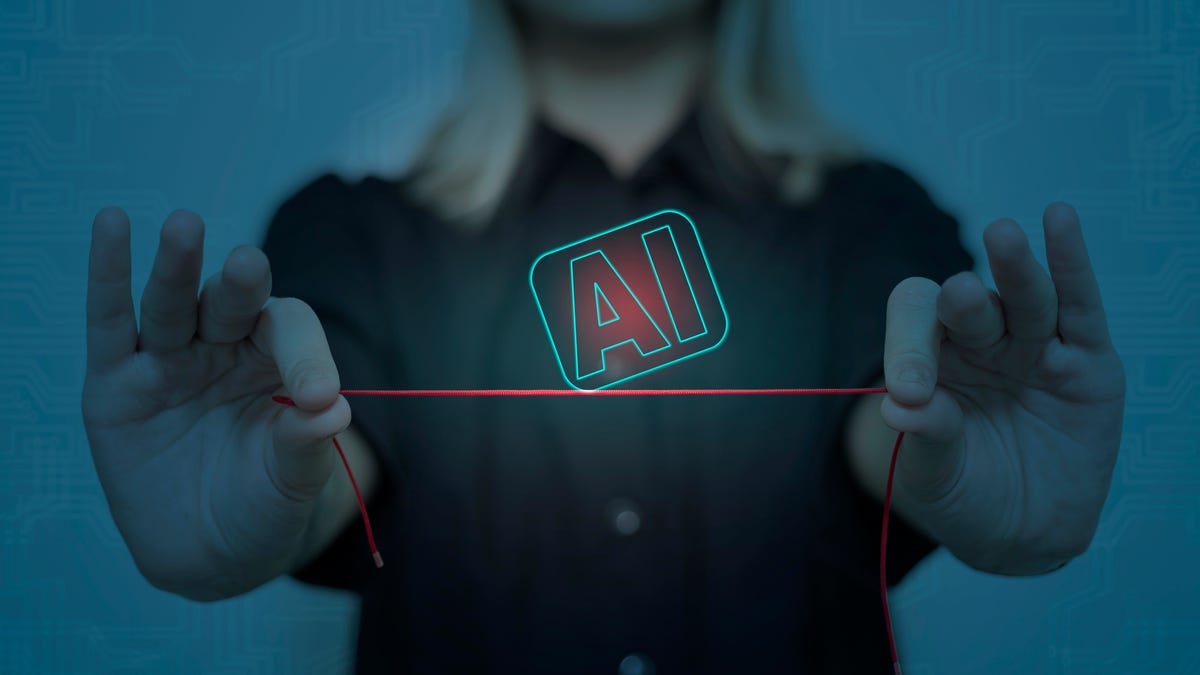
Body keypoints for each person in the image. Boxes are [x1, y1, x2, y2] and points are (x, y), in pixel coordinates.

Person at [81, 0, 1126, 672]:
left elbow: (895, 420)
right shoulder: (350, 237)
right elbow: (319, 456)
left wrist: (961, 468)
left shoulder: (873, 225)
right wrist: (250, 515)